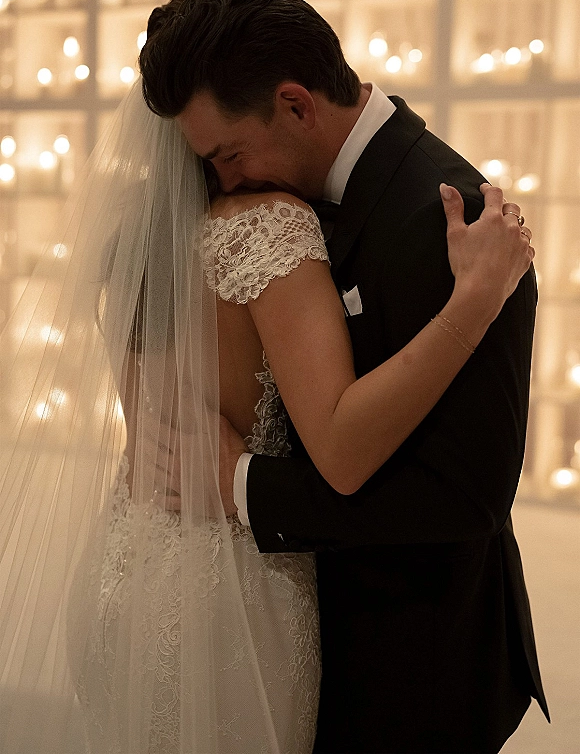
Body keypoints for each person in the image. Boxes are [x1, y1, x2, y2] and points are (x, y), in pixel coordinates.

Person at [0, 78, 530, 754]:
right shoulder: (266, 224)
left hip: (117, 572)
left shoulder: (131, 240)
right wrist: (474, 302)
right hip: (225, 596)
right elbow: (340, 440)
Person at [138, 0, 549, 753]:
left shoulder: (452, 220)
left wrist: (240, 482)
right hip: (309, 632)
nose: (223, 184)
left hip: (414, 659)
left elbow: (466, 496)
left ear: (296, 104)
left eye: (228, 155)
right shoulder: (278, 206)